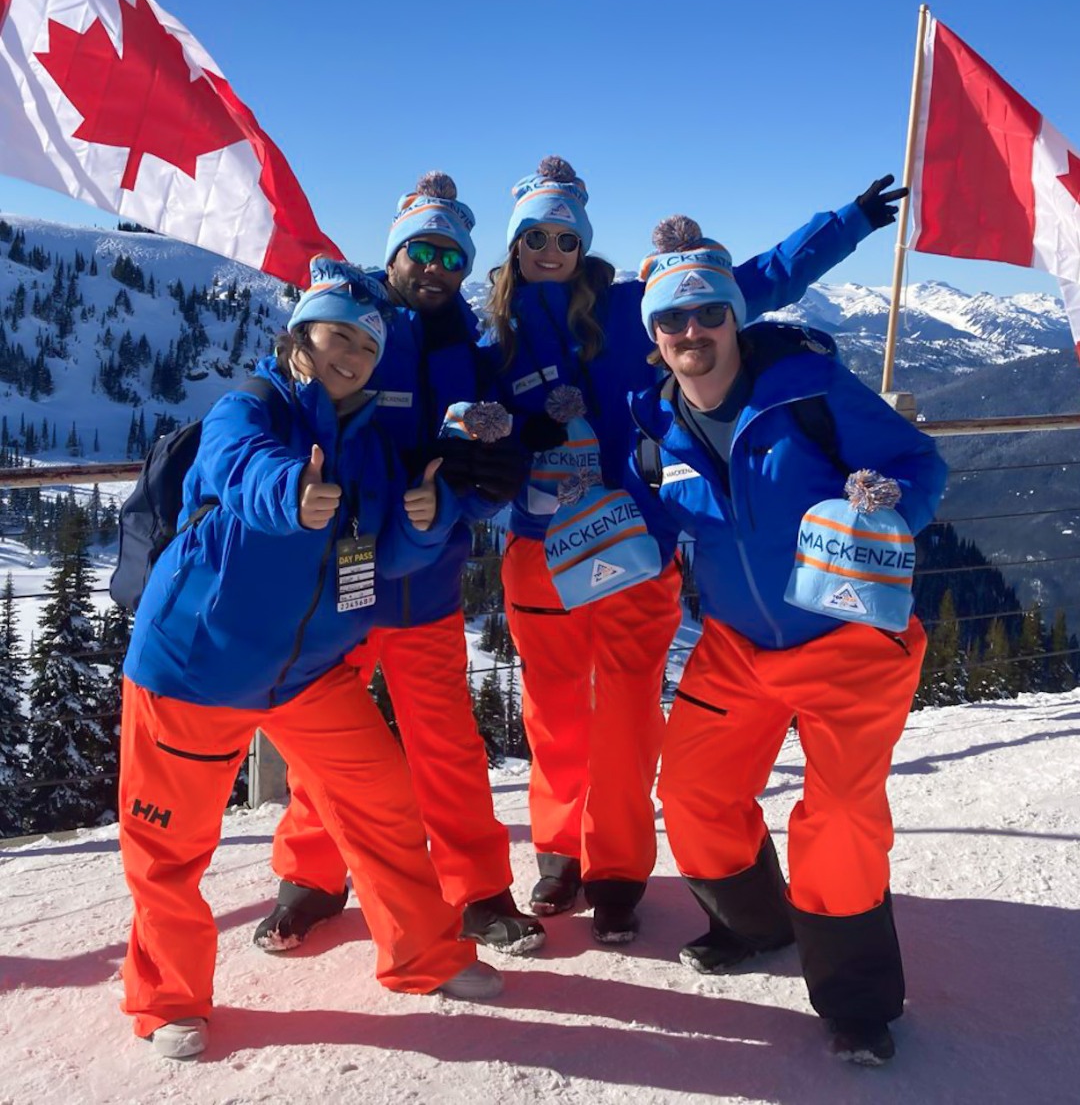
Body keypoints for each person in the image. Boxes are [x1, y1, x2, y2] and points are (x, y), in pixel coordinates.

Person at [486, 155, 906, 943]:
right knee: (553, 713)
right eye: (534, 235)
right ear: (514, 244)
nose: (549, 248)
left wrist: (845, 223)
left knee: (629, 714)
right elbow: (454, 414)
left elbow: (754, 281)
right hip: (539, 544)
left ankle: (615, 869)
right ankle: (556, 854)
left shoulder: (630, 309)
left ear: (583, 242)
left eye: (563, 235)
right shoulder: (493, 334)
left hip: (638, 536)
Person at [118, 258, 502, 1062]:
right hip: (198, 667)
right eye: (337, 339)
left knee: (382, 800)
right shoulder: (249, 407)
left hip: (307, 673)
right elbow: (234, 464)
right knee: (169, 846)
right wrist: (289, 490)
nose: (351, 358)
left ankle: (422, 955)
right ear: (300, 341)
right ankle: (168, 1001)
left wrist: (429, 522)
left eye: (366, 347)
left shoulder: (367, 445)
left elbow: (385, 556)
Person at [626, 216, 947, 1066]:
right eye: (672, 320)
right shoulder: (657, 423)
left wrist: (888, 507)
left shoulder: (806, 391)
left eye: (707, 314)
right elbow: (662, 521)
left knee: (838, 817)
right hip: (736, 643)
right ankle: (754, 924)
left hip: (848, 638)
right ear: (655, 336)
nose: (691, 332)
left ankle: (855, 1001)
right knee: (691, 789)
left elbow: (923, 467)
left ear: (734, 317)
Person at [255, 174, 544, 957]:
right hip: (339, 585)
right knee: (332, 746)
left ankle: (478, 890)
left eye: (452, 255)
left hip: (427, 582)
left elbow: (482, 468)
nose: (436, 265)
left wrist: (492, 481)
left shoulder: (469, 353)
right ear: (395, 253)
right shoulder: (346, 322)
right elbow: (286, 408)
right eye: (421, 249)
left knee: (446, 743)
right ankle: (312, 879)